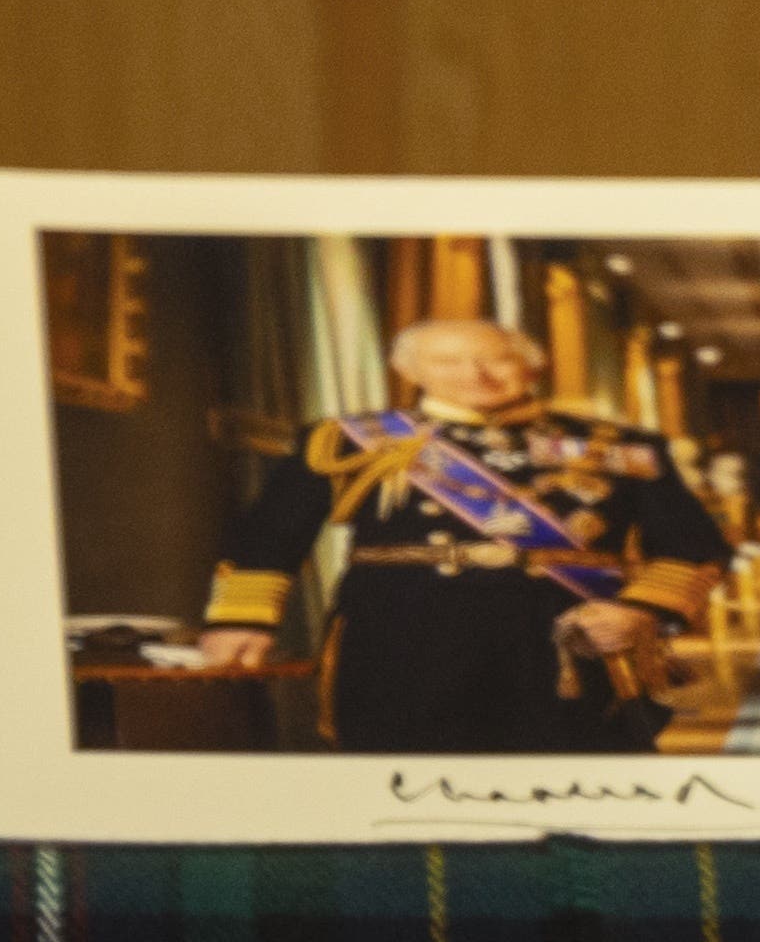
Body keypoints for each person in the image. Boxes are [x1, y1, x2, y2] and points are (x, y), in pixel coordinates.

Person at [197, 307, 728, 755]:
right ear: (412, 372)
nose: (475, 375)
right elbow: (269, 535)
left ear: (531, 365)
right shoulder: (350, 440)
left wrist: (638, 612)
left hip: (564, 636)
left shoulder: (621, 448)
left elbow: (692, 547)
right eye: (446, 362)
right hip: (401, 637)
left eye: (496, 358)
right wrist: (243, 619)